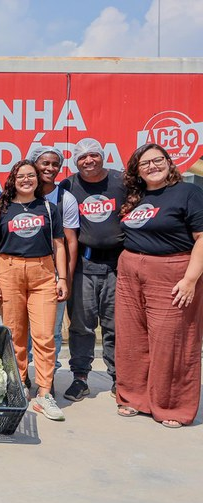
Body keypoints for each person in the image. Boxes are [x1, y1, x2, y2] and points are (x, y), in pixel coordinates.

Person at [115, 143, 203, 428]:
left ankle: (173, 405)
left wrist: (190, 279)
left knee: (171, 342)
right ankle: (133, 396)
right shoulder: (136, 197)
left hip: (171, 271)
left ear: (169, 162)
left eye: (158, 160)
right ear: (137, 171)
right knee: (131, 337)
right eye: (145, 164)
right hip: (130, 270)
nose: (153, 166)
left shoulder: (188, 193)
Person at [0, 160, 68, 421]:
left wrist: (62, 277)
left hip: (42, 273)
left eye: (31, 176)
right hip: (8, 270)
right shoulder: (1, 208)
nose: (26, 180)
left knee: (44, 335)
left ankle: (44, 393)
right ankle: (19, 383)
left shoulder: (48, 207)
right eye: (21, 176)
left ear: (37, 179)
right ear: (13, 179)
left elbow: (60, 244)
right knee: (15, 334)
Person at [60, 138, 125, 402]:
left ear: (102, 156)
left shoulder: (122, 181)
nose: (89, 161)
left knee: (116, 325)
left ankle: (119, 378)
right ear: (76, 162)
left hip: (117, 265)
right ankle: (80, 377)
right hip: (84, 266)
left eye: (93, 155)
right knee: (81, 326)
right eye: (82, 157)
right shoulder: (69, 185)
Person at [25, 146, 80, 388]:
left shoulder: (63, 198)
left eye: (54, 164)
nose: (49, 168)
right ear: (33, 165)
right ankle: (20, 376)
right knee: (20, 328)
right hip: (22, 270)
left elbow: (70, 242)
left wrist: (64, 278)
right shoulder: (21, 193)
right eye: (44, 163)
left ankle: (47, 379)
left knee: (52, 330)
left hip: (51, 273)